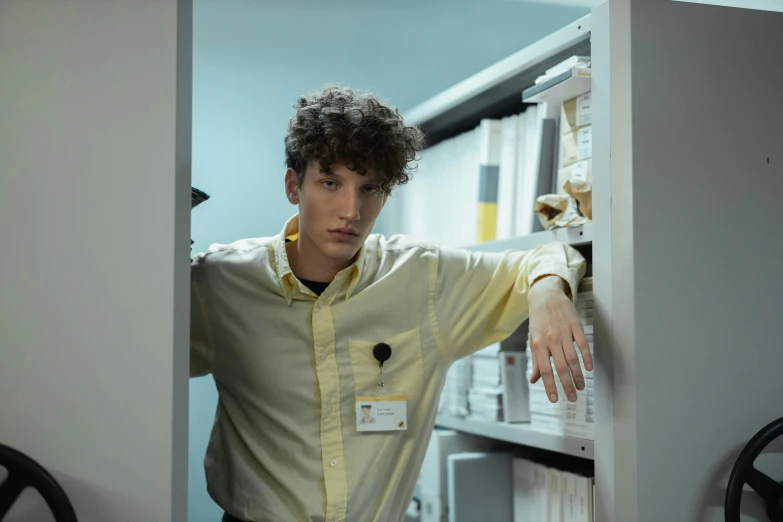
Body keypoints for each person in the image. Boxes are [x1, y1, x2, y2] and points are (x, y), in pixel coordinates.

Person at [190, 85, 591, 522]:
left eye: (370, 188)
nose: (351, 210)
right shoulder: (220, 282)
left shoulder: (422, 277)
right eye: (330, 182)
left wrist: (550, 289)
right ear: (293, 185)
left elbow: (547, 256)